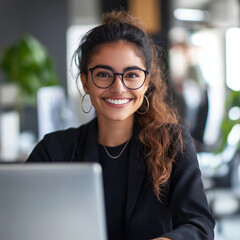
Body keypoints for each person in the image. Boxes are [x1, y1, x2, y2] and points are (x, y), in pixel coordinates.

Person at [27, 10, 215, 240]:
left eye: (132, 75)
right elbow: (24, 222)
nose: (118, 88)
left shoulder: (173, 143)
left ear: (146, 82)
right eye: (104, 75)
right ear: (85, 81)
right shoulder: (53, 150)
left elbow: (199, 225)